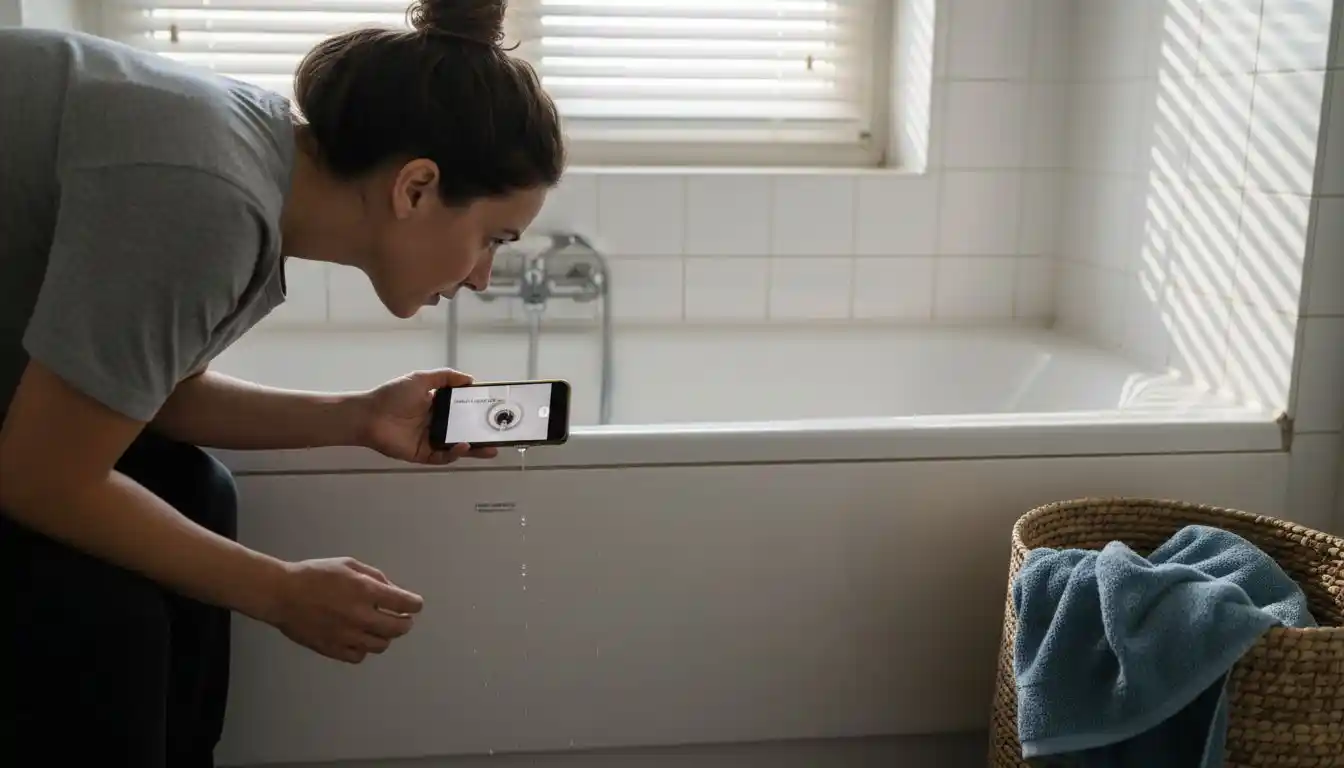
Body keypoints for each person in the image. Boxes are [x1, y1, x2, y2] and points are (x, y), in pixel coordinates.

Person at [0, 0, 564, 764]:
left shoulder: (250, 168)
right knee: (105, 615)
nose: (483, 278)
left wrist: (359, 416)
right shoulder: (207, 197)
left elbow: (144, 392)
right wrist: (279, 591)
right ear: (415, 188)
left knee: (197, 489)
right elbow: (41, 479)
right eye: (492, 239)